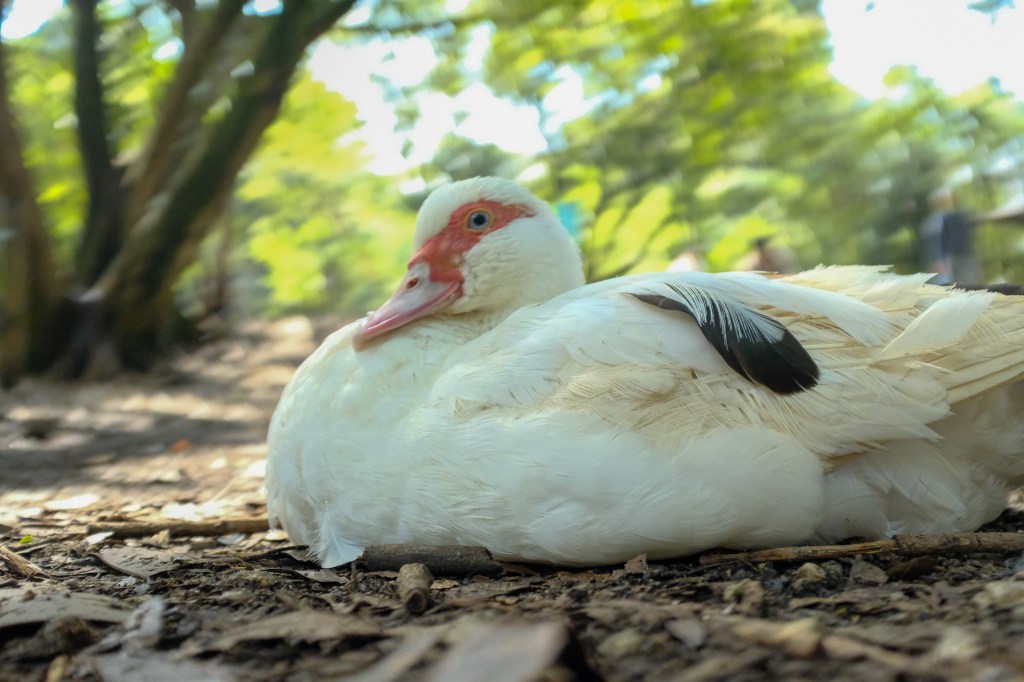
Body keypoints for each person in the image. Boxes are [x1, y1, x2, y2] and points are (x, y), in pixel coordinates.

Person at [918, 188, 980, 285]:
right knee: (951, 287)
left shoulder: (958, 216)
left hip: (964, 258)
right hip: (947, 262)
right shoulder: (932, 222)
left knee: (971, 285)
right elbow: (933, 244)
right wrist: (937, 260)